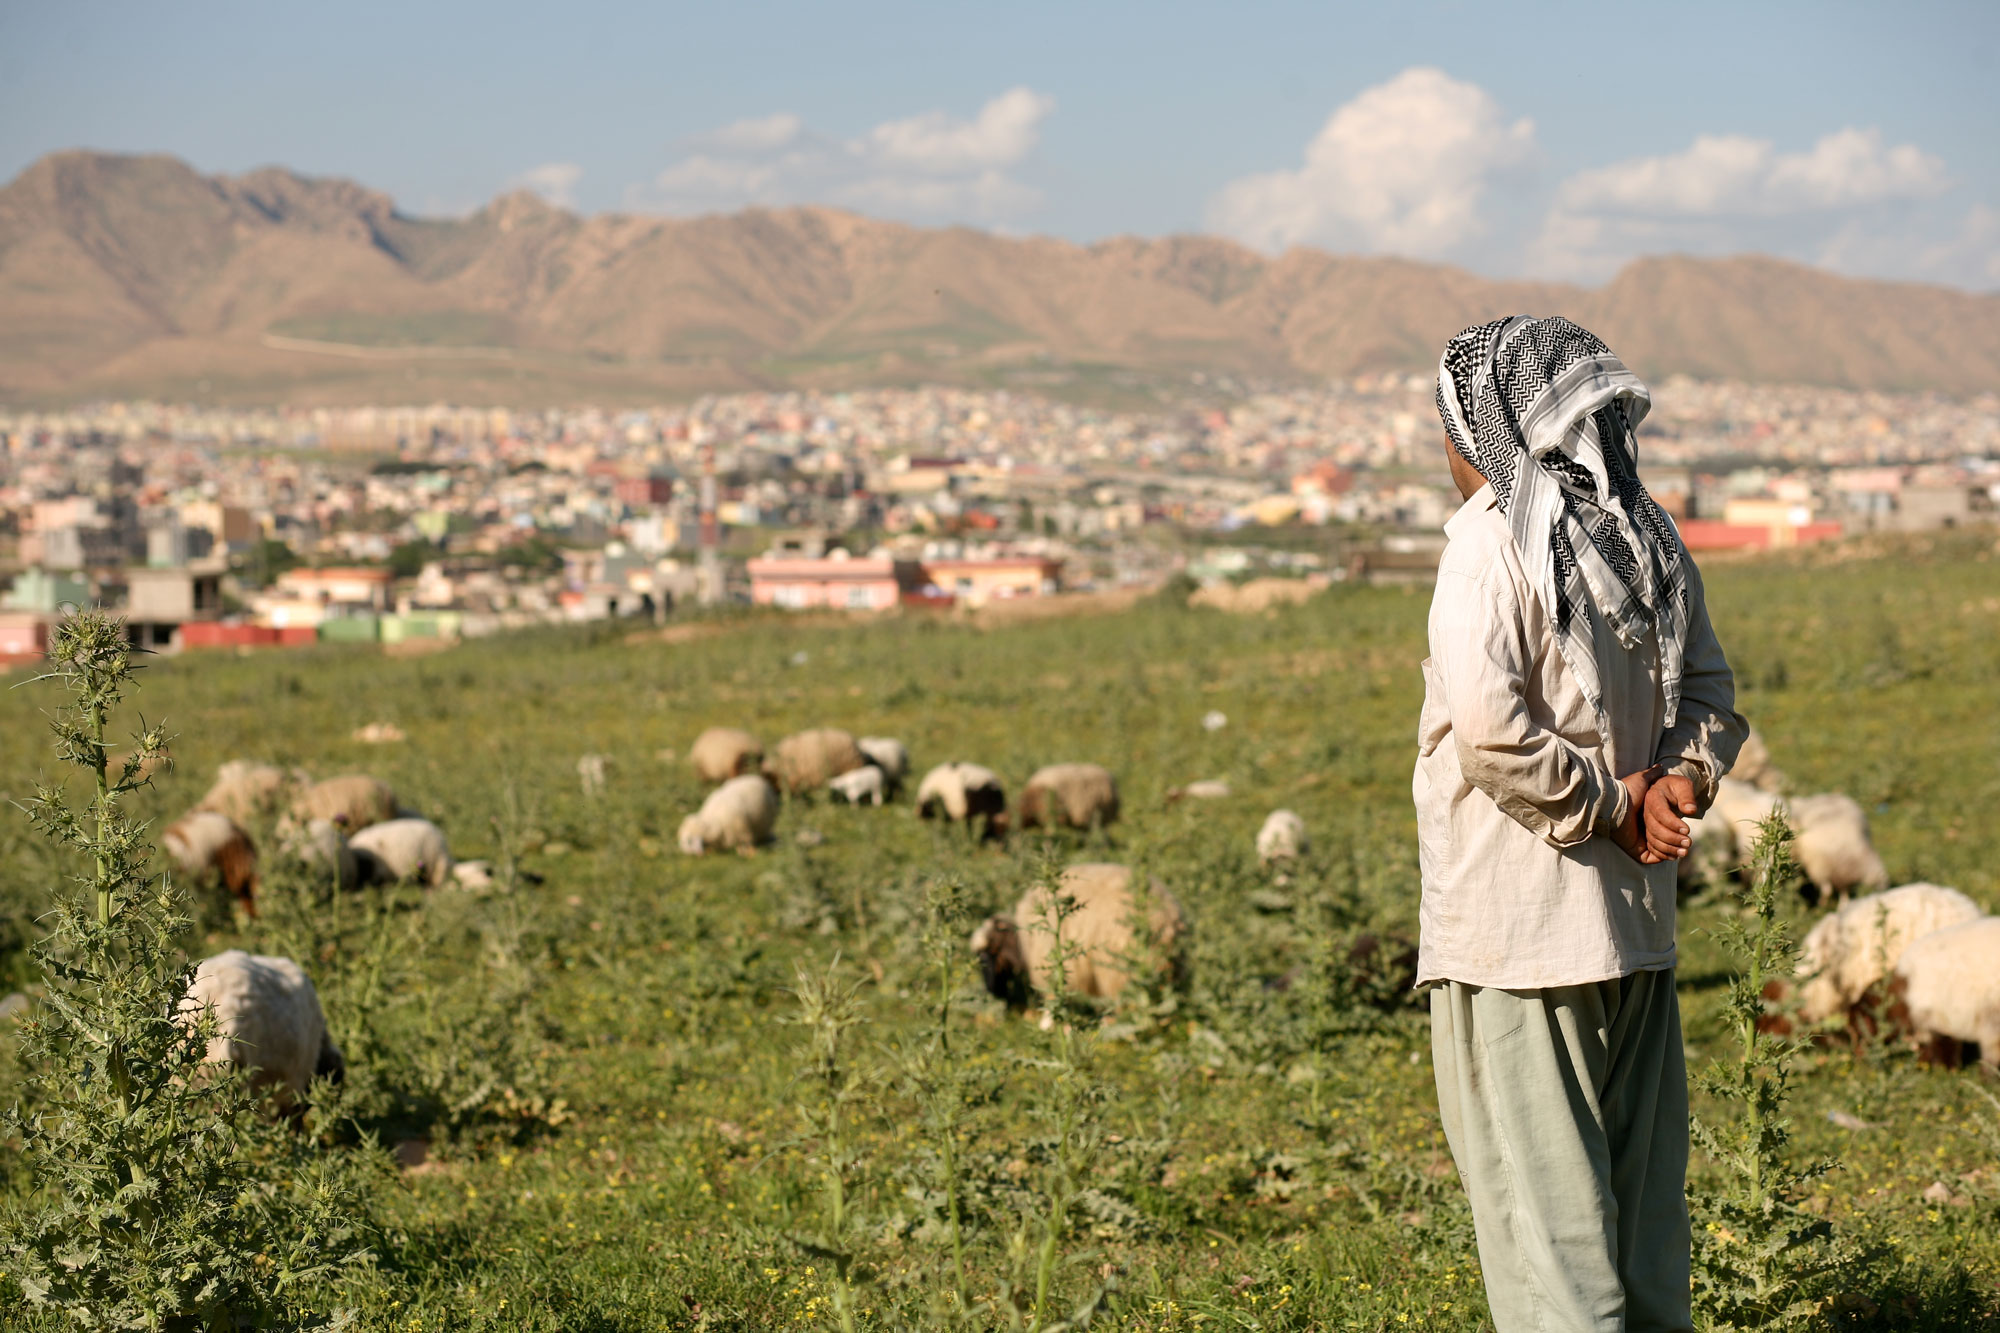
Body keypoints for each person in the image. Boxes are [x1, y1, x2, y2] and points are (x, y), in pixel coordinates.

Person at [1414, 316, 1748, 1333]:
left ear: (1485, 428)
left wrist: (1608, 806)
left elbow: (1490, 732)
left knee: (1546, 1240)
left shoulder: (1487, 548)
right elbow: (1710, 695)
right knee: (1641, 1232)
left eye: (1447, 425)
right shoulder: (1642, 532)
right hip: (1634, 933)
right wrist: (1671, 788)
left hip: (1518, 938)